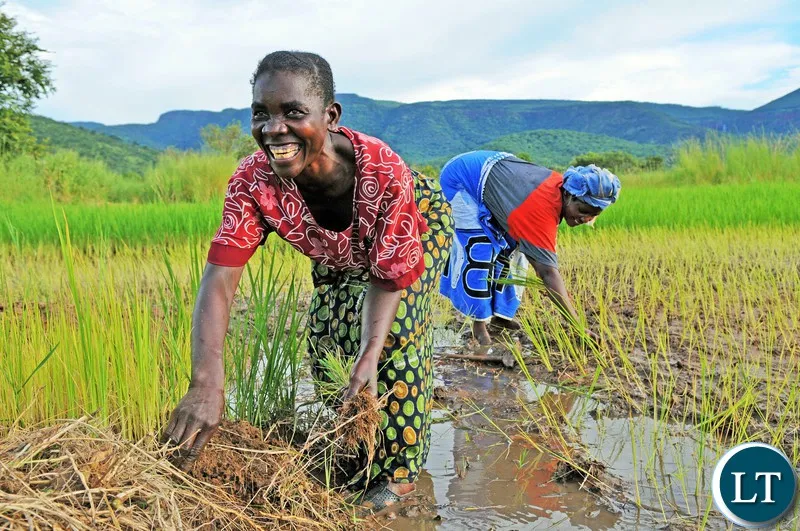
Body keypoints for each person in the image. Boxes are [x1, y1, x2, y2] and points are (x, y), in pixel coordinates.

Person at [162, 51, 452, 510]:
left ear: (330, 116)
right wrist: (206, 382)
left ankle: (399, 472)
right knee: (326, 339)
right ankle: (357, 448)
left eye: (293, 113)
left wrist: (369, 355)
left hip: (411, 225)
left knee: (391, 337)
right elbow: (219, 279)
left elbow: (389, 277)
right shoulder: (253, 182)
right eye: (262, 113)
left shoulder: (381, 169)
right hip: (337, 247)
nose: (274, 129)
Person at [438, 151, 620, 345]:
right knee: (480, 250)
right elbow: (548, 273)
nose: (586, 219)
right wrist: (577, 326)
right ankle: (479, 325)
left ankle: (500, 318)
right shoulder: (539, 210)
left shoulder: (559, 192)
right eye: (583, 211)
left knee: (516, 249)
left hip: (496, 173)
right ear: (568, 194)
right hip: (462, 178)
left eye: (593, 215)